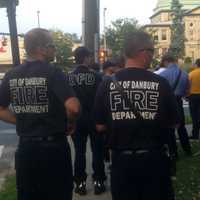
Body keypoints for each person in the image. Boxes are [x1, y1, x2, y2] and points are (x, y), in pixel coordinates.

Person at [94, 30, 179, 200]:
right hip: (154, 161)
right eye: (152, 51)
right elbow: (175, 122)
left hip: (121, 163)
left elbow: (99, 125)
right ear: (143, 52)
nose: (152, 56)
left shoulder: (107, 84)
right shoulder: (160, 83)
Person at [0, 28, 80, 200]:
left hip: (26, 149)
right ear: (42, 49)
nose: (55, 50)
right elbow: (73, 107)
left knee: (29, 194)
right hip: (54, 149)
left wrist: (21, 120)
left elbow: (0, 109)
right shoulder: (53, 72)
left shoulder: (11, 75)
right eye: (53, 46)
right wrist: (70, 122)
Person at [68, 46, 106, 195]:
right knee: (97, 151)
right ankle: (98, 181)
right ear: (85, 58)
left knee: (79, 152)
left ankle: (80, 183)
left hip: (77, 120)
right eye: (90, 57)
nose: (92, 59)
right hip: (94, 119)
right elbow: (102, 100)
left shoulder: (68, 77)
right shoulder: (97, 76)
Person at [160, 54, 192, 157]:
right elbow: (187, 92)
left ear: (166, 62)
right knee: (181, 128)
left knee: (170, 129)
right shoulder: (184, 74)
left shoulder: (162, 75)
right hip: (178, 102)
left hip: (167, 103)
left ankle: (174, 153)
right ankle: (187, 150)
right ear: (175, 61)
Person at [188, 58, 200, 139]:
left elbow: (187, 86)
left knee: (194, 116)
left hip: (193, 97)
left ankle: (195, 134)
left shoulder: (191, 74)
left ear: (196, 64)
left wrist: (187, 95)